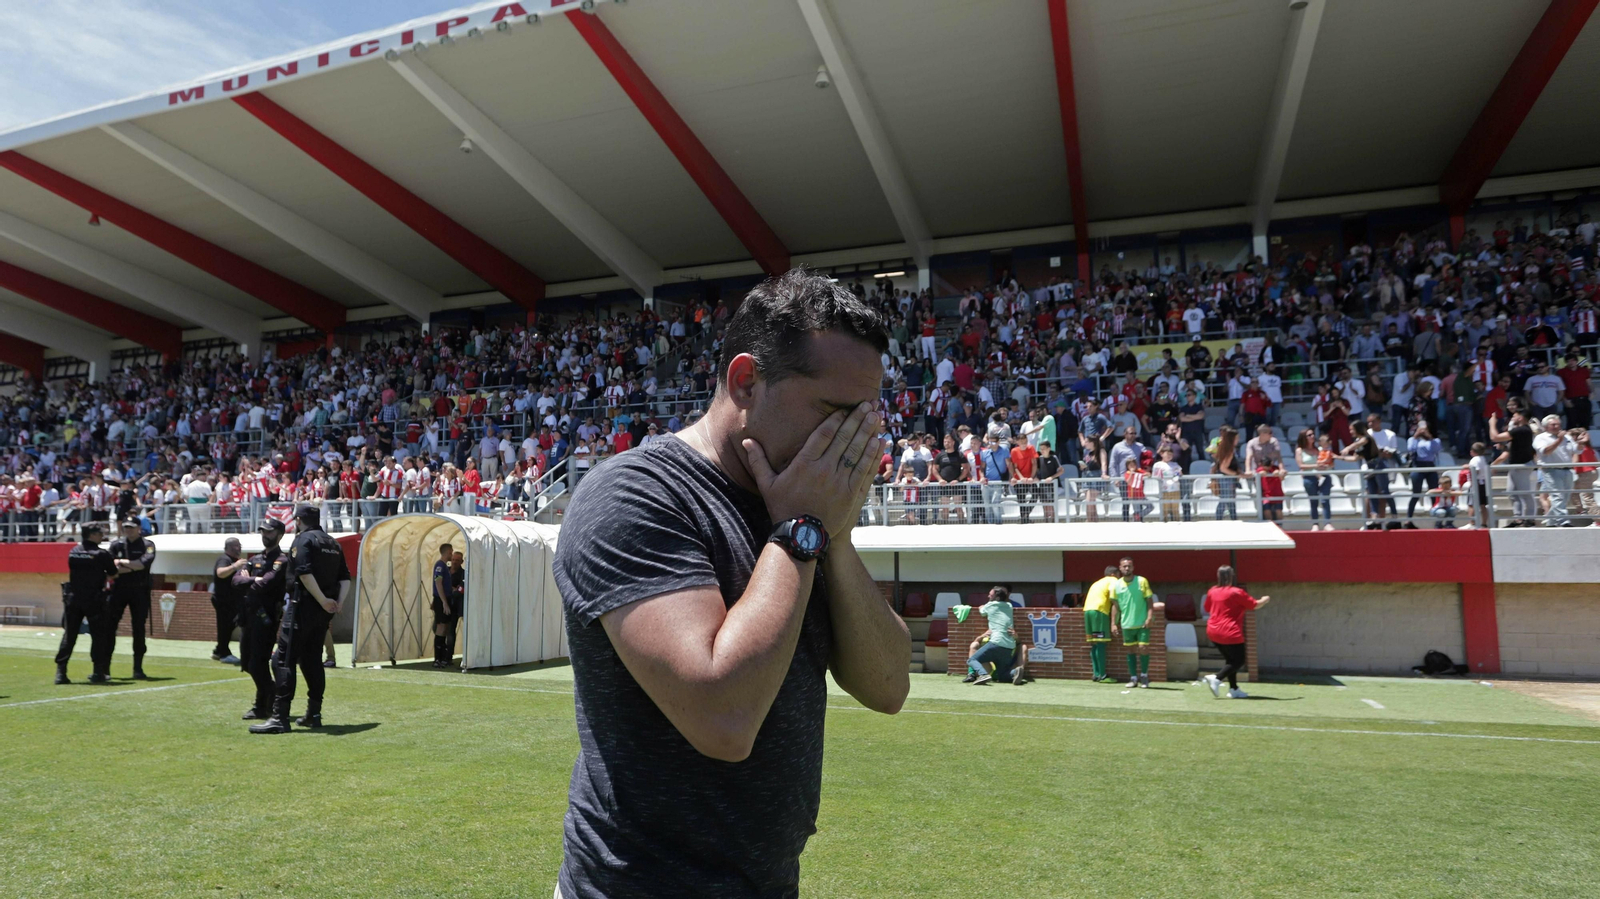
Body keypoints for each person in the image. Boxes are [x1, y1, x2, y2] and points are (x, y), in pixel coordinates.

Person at [550, 268, 910, 898]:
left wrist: (835, 536)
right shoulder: (634, 495)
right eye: (834, 412)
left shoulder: (805, 505)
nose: (855, 441)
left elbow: (887, 684)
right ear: (746, 381)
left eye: (866, 417)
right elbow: (723, 718)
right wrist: (802, 531)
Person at [249, 505, 351, 734]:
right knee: (312, 660)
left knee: (282, 660)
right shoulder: (333, 543)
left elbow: (304, 573)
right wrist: (336, 603)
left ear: (298, 520)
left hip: (302, 606)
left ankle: (280, 717)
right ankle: (314, 714)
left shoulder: (302, 540)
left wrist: (323, 599)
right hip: (323, 611)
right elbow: (345, 577)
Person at [239, 518, 290, 720]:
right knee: (247, 662)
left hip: (266, 617)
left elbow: (267, 583)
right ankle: (268, 697)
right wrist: (253, 579)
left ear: (279, 535)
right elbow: (236, 580)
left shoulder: (282, 560)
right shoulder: (254, 559)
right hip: (248, 615)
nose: (264, 536)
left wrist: (248, 580)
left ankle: (263, 704)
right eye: (263, 532)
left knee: (258, 663)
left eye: (269, 532)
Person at [56, 523, 118, 685]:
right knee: (98, 636)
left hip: (74, 598)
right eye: (99, 533)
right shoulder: (102, 554)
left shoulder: (74, 552)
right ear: (91, 534)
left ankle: (61, 672)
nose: (101, 536)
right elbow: (113, 574)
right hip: (94, 599)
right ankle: (98, 671)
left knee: (69, 636)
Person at [1201, 566, 1269, 699]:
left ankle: (1234, 689)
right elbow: (1254, 605)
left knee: (1230, 660)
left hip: (1213, 631)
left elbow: (1207, 608)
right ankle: (1217, 678)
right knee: (1239, 660)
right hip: (1230, 631)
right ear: (1232, 576)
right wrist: (1265, 600)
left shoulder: (1212, 591)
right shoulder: (1236, 592)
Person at [105, 519, 156, 679]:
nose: (128, 530)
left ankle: (138, 669)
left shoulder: (148, 544)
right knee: (110, 628)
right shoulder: (116, 544)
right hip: (118, 591)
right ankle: (104, 669)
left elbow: (143, 564)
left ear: (139, 528)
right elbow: (110, 568)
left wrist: (121, 563)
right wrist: (130, 566)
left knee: (139, 629)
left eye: (132, 527)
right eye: (126, 527)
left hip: (139, 591)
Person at [963, 586, 1029, 686]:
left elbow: (982, 612)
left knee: (972, 660)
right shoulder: (1009, 605)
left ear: (997, 597)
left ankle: (983, 674)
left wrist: (981, 607)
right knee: (1003, 676)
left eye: (991, 594)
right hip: (1009, 646)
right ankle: (1015, 672)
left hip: (996, 643)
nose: (988, 595)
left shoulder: (990, 605)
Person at [1111, 557, 1160, 688]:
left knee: (1143, 648)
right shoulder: (1116, 585)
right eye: (1124, 566)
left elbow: (1149, 601)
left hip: (1142, 622)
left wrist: (1149, 617)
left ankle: (1144, 676)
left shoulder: (1142, 581)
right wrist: (1113, 623)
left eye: (1129, 566)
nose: (1127, 568)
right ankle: (1133, 678)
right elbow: (1115, 606)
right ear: (1120, 568)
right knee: (1130, 650)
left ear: (1133, 567)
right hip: (1126, 624)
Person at [211, 538, 249, 664]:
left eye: (240, 545)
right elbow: (220, 573)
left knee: (229, 625)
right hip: (223, 600)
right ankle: (224, 654)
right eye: (237, 546)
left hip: (232, 601)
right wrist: (235, 566)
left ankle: (218, 650)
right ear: (230, 547)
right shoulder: (224, 559)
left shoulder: (233, 560)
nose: (239, 548)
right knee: (225, 627)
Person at [1082, 565, 1121, 682]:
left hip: (1087, 611)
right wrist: (1116, 620)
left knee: (1094, 644)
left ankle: (1096, 674)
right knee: (1101, 644)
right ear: (1114, 574)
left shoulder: (1097, 582)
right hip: (1099, 612)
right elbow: (1114, 599)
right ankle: (1103, 675)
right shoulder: (1113, 581)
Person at [431, 543, 455, 668]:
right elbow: (438, 583)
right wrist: (443, 601)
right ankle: (437, 659)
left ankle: (442, 657)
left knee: (445, 627)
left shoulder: (445, 566)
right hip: (441, 600)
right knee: (440, 627)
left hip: (444, 599)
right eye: (451, 552)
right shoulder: (440, 565)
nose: (452, 554)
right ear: (447, 552)